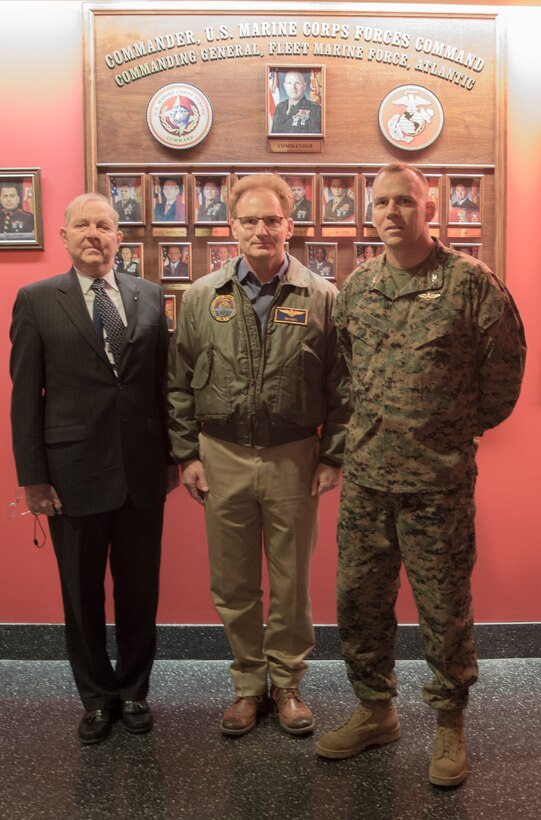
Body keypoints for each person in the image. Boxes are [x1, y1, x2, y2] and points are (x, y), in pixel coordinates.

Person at [314, 162, 526, 787]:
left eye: (404, 201)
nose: (392, 213)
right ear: (370, 211)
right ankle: (375, 710)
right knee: (358, 602)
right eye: (382, 203)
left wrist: (448, 432)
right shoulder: (358, 287)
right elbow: (349, 371)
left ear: (428, 206)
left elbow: (504, 377)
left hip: (438, 484)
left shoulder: (470, 283)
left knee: (443, 610)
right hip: (368, 479)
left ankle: (449, 726)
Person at [168, 174, 351, 739]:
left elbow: (344, 387)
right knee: (234, 581)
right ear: (232, 227)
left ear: (289, 225)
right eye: (249, 220)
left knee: (292, 581)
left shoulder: (322, 296)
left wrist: (332, 456)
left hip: (294, 455)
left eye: (272, 219)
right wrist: (186, 454)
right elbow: (177, 385)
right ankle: (248, 686)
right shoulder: (202, 296)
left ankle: (289, 684)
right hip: (220, 454)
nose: (261, 230)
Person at [10, 192, 178, 745]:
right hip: (70, 473)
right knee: (80, 595)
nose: (93, 234)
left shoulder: (149, 295)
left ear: (119, 238)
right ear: (63, 237)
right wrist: (32, 476)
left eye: (104, 226)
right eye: (81, 225)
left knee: (139, 592)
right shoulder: (35, 300)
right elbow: (24, 397)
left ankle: (133, 691)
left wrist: (173, 457)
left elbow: (161, 386)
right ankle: (96, 699)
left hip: (141, 472)